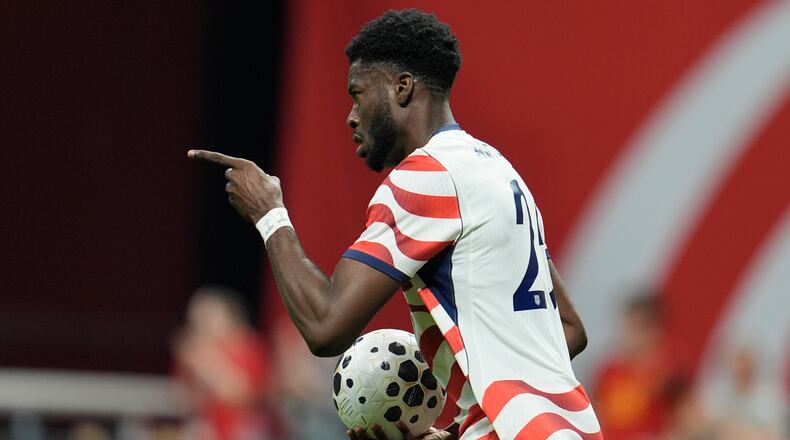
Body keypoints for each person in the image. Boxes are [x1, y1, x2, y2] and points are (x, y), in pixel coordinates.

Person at [189, 9, 600, 440]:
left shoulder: (427, 177)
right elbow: (569, 330)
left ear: (402, 87)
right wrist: (467, 425)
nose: (351, 116)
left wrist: (269, 214)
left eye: (358, 94)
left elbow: (325, 326)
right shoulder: (499, 171)